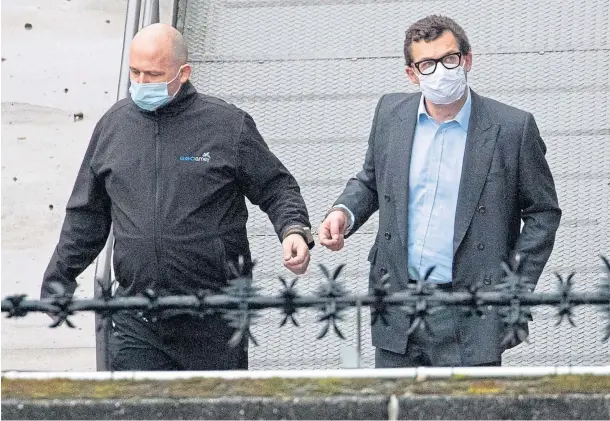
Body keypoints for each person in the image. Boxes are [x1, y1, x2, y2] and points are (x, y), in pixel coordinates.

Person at [41, 23, 314, 371]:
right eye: (135, 72)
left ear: (183, 73)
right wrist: (58, 280)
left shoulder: (226, 125)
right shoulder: (113, 127)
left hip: (214, 319)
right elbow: (87, 214)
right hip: (137, 318)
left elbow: (276, 186)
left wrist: (293, 229)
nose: (141, 83)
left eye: (153, 74)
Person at [319, 15, 561, 367]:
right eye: (427, 64)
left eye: (449, 59)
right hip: (399, 301)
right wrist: (344, 211)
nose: (441, 71)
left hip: (472, 306)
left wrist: (514, 287)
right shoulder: (390, 114)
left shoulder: (512, 127)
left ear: (467, 60)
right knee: (394, 410)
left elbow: (543, 213)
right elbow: (371, 179)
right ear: (411, 73)